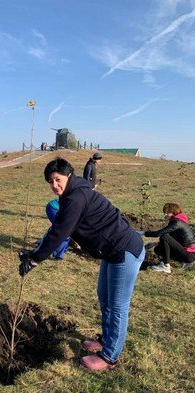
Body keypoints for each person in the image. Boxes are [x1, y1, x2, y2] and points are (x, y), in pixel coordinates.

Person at [19, 158, 145, 371]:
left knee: (117, 306)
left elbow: (60, 233)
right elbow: (56, 228)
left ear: (69, 175)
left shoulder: (76, 198)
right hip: (112, 252)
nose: (54, 185)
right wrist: (35, 251)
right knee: (104, 298)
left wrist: (35, 260)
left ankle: (109, 357)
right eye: (50, 182)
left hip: (124, 250)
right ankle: (107, 340)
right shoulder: (72, 195)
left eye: (57, 179)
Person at [144, 203, 195, 274]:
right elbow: (173, 240)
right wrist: (154, 244)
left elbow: (159, 233)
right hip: (187, 253)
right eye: (164, 212)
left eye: (168, 212)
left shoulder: (177, 222)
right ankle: (183, 262)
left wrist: (143, 233)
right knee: (158, 249)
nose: (165, 214)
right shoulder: (178, 221)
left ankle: (166, 266)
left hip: (189, 254)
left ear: (174, 212)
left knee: (164, 236)